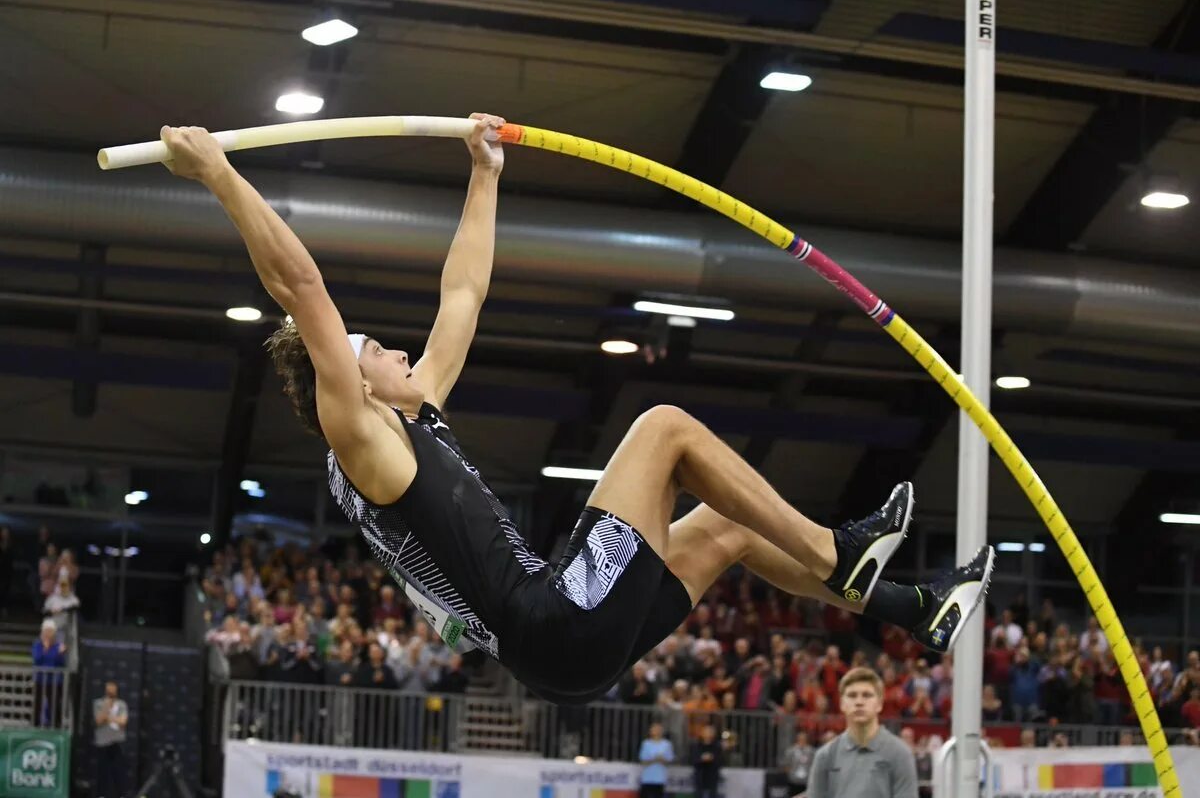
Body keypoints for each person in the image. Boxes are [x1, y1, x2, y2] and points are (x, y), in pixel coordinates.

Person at [159, 116, 994, 705]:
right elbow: (301, 287)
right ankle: (838, 551)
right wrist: (219, 174)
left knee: (728, 528)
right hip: (554, 620)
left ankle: (916, 611)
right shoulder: (364, 445)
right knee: (662, 428)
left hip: (565, 642)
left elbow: (464, 289)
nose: (397, 351)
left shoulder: (413, 423)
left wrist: (484, 173)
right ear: (354, 382)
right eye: (373, 350)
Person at [808, 667, 918, 798]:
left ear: (879, 704)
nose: (859, 702)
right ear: (842, 703)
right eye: (852, 695)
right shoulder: (825, 756)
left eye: (867, 695)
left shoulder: (900, 754)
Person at [93, 681, 129, 798]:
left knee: (118, 772)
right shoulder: (98, 703)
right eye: (109, 691)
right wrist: (106, 707)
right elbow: (98, 721)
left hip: (117, 742)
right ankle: (101, 795)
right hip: (102, 743)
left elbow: (123, 722)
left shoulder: (122, 705)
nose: (111, 693)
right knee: (102, 772)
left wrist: (108, 718)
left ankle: (121, 795)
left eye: (113, 691)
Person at [31, 619, 66, 727]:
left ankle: (55, 725)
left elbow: (59, 662)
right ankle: (35, 724)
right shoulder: (37, 645)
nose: (48, 634)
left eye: (50, 631)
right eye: (46, 631)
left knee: (55, 704)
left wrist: (53, 656)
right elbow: (37, 659)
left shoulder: (59, 646)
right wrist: (46, 650)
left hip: (55, 681)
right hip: (40, 679)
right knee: (37, 703)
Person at [638, 722, 675, 798]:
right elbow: (643, 761)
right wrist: (655, 759)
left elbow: (669, 761)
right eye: (654, 729)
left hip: (660, 779)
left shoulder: (667, 744)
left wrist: (662, 760)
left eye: (658, 729)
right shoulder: (646, 744)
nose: (656, 731)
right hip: (647, 779)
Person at [780, 729, 815, 795]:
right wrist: (790, 774)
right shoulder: (791, 750)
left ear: (807, 740)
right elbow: (786, 765)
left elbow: (814, 765)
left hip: (807, 781)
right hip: (793, 780)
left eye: (803, 739)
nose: (802, 740)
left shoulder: (811, 751)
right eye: (800, 739)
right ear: (797, 739)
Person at [692, 723, 722, 798]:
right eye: (707, 731)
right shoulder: (696, 745)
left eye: (711, 731)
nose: (709, 733)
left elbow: (720, 760)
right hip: (700, 775)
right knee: (699, 794)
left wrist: (712, 758)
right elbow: (693, 759)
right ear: (702, 732)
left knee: (713, 794)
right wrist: (702, 759)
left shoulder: (717, 746)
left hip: (712, 774)